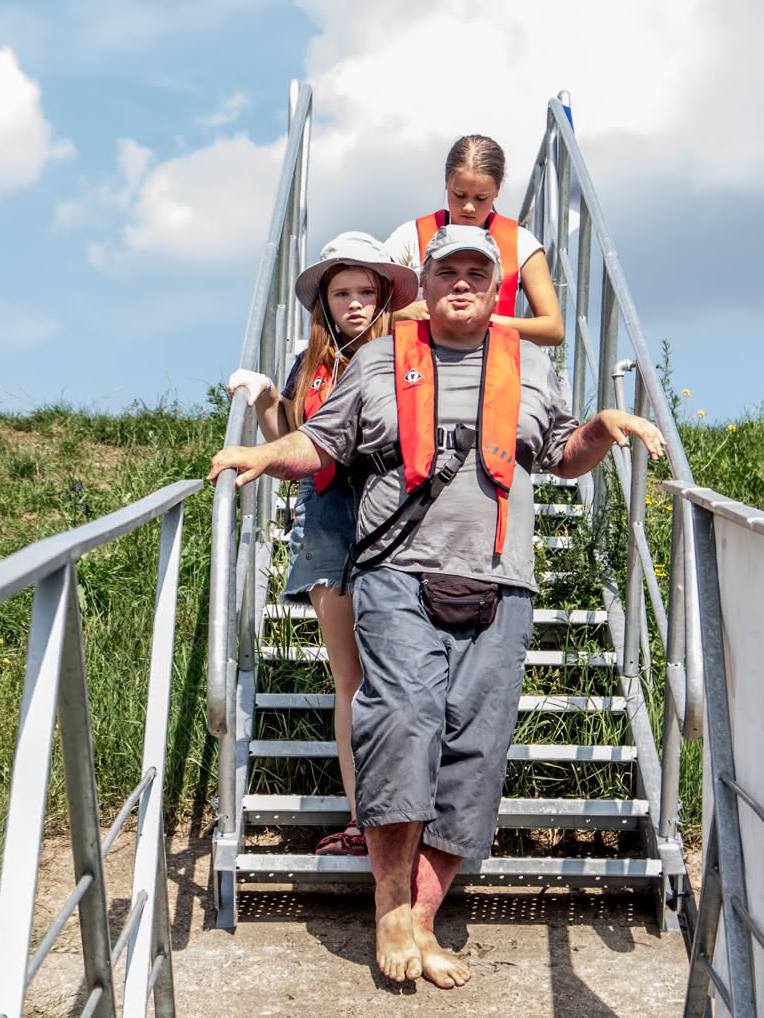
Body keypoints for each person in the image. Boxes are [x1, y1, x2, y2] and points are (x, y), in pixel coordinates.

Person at [209, 225, 665, 989]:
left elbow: (559, 454)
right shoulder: (381, 360)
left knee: (476, 746)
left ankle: (424, 915)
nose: (461, 283)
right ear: (423, 283)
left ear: (496, 290)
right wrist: (262, 454)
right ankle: (390, 905)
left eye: (476, 274)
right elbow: (319, 445)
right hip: (395, 573)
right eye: (446, 271)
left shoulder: (531, 366)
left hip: (501, 580)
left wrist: (603, 430)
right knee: (400, 717)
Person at [225, 231, 418, 858]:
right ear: (325, 301)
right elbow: (291, 440)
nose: (355, 303)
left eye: (367, 290)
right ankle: (365, 821)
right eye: (343, 292)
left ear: (386, 295)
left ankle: (417, 823)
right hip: (329, 519)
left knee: (406, 678)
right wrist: (263, 403)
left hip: (400, 520)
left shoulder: (409, 355)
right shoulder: (311, 363)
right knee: (351, 677)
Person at [384, 133, 565, 346]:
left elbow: (553, 329)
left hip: (496, 369)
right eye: (459, 195)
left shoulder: (522, 243)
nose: (469, 207)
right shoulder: (408, 237)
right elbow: (364, 308)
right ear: (446, 183)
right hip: (419, 368)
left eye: (481, 198)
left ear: (497, 191)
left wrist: (485, 321)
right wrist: (400, 315)